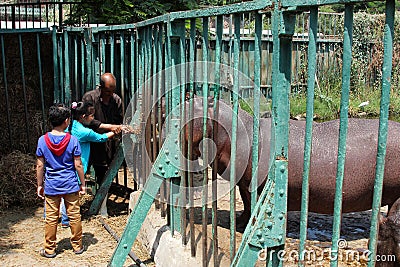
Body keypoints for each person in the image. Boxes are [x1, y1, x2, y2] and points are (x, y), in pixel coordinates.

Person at [36, 104, 86, 258]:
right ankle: (77, 246)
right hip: (70, 184)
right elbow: (78, 164)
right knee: (74, 215)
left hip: (52, 185)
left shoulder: (42, 140)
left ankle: (49, 249)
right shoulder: (73, 140)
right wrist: (82, 183)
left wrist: (39, 185)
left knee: (51, 218)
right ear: (66, 121)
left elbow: (40, 165)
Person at [82, 73, 123, 216]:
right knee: (81, 171)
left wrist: (117, 129)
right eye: (107, 91)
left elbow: (118, 120)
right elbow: (86, 120)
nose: (110, 94)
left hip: (106, 142)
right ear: (100, 87)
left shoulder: (116, 100)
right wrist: (108, 126)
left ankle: (102, 207)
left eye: (112, 91)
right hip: (89, 142)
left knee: (104, 174)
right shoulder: (89, 98)